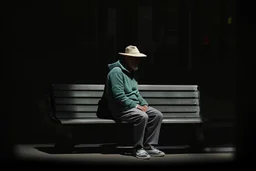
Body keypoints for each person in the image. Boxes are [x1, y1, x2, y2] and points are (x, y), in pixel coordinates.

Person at [104, 45, 165, 159]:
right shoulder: (116, 72)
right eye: (135, 58)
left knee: (157, 115)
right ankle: (138, 148)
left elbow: (135, 92)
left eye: (138, 59)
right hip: (120, 108)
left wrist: (144, 103)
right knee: (142, 116)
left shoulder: (131, 72)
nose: (138, 61)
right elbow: (118, 96)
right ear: (127, 58)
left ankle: (148, 146)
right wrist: (136, 105)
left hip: (133, 106)